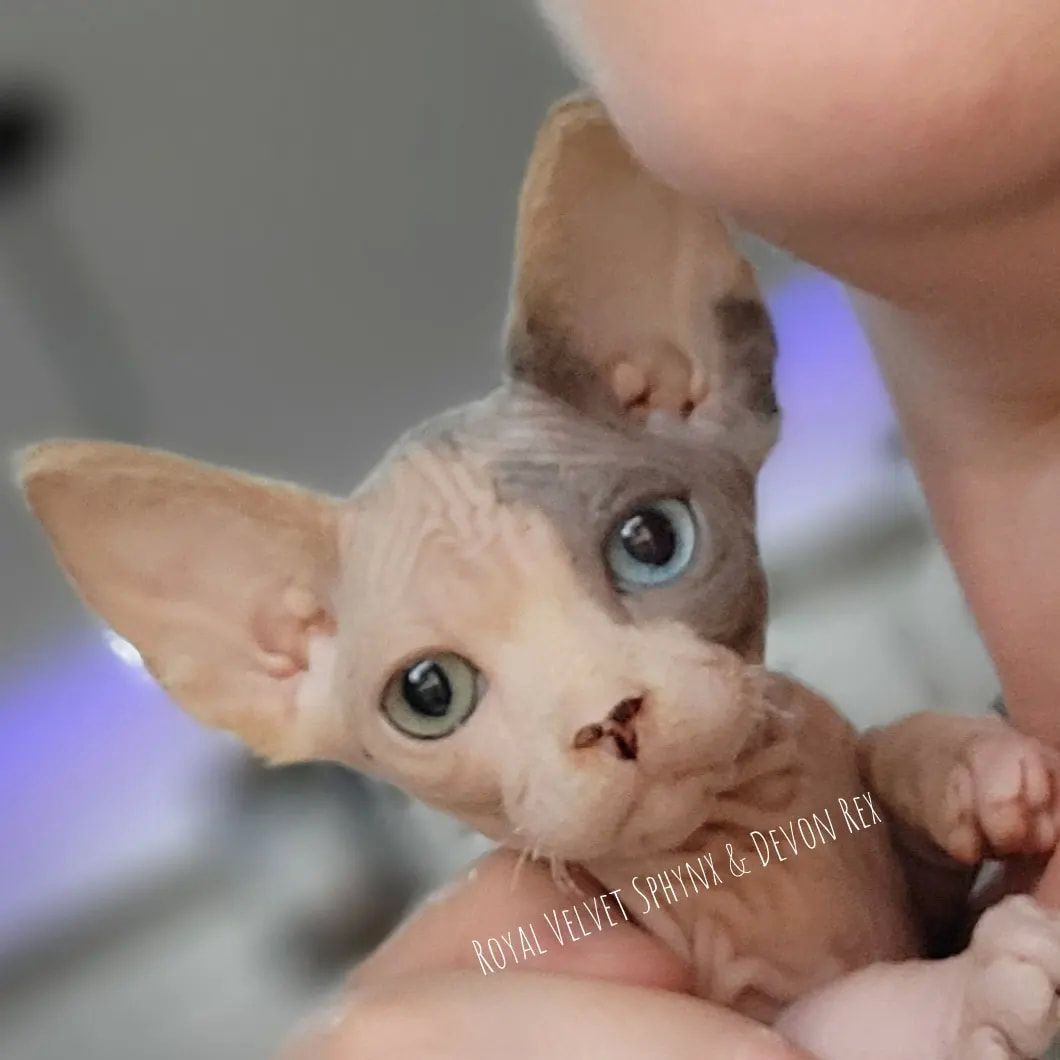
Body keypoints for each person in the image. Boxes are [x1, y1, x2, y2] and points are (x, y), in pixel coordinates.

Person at [287, 3, 1060, 1055]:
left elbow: (878, 807)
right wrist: (949, 1003)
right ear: (278, 663)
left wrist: (942, 770)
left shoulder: (799, 723)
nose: (604, 707)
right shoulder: (582, 923)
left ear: (692, 384)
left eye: (644, 543)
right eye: (435, 692)